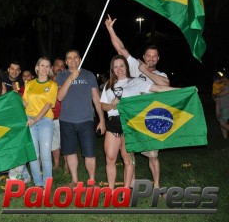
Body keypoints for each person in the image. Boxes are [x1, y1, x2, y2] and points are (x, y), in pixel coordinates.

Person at [105, 14, 169, 190]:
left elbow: (165, 85)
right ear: (143, 56)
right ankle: (130, 182)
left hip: (150, 118)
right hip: (132, 118)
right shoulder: (133, 65)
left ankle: (156, 185)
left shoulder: (160, 75)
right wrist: (110, 28)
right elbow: (121, 48)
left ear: (158, 59)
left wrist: (144, 70)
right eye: (148, 56)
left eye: (154, 57)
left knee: (153, 155)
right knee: (129, 152)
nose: (150, 59)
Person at [100, 55, 177, 189]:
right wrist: (112, 105)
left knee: (128, 159)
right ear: (112, 69)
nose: (119, 69)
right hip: (113, 123)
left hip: (130, 124)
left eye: (122, 66)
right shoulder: (109, 84)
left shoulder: (136, 82)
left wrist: (184, 90)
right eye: (116, 67)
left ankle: (125, 190)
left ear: (126, 67)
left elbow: (158, 89)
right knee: (110, 158)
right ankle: (111, 191)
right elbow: (103, 106)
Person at [56, 49, 106, 188]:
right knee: (70, 152)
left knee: (89, 153)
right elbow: (59, 97)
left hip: (86, 120)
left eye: (75, 57)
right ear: (66, 62)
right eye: (69, 58)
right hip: (67, 120)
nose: (72, 60)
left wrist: (101, 120)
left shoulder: (89, 75)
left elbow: (96, 99)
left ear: (80, 59)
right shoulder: (61, 76)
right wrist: (71, 78)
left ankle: (91, 181)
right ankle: (75, 180)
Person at [23, 56, 58, 187]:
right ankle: (38, 183)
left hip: (45, 121)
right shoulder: (29, 84)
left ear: (50, 69)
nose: (44, 68)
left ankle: (47, 183)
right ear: (37, 67)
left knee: (45, 154)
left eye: (47, 66)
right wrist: (15, 98)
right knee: (34, 154)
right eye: (42, 65)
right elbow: (25, 102)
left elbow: (49, 104)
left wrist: (36, 119)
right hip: (29, 120)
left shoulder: (52, 85)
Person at [50, 58, 68, 173]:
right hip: (50, 117)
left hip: (64, 116)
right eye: (57, 65)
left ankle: (67, 164)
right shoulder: (47, 81)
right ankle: (56, 164)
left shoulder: (68, 81)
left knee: (66, 141)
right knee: (53, 142)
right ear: (52, 68)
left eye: (62, 66)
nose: (59, 68)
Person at [213, 73, 229, 139]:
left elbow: (219, 95)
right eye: (223, 80)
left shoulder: (228, 87)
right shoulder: (222, 87)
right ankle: (225, 138)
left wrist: (215, 95)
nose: (224, 81)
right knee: (221, 123)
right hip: (221, 107)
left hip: (226, 107)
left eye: (226, 80)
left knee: (222, 123)